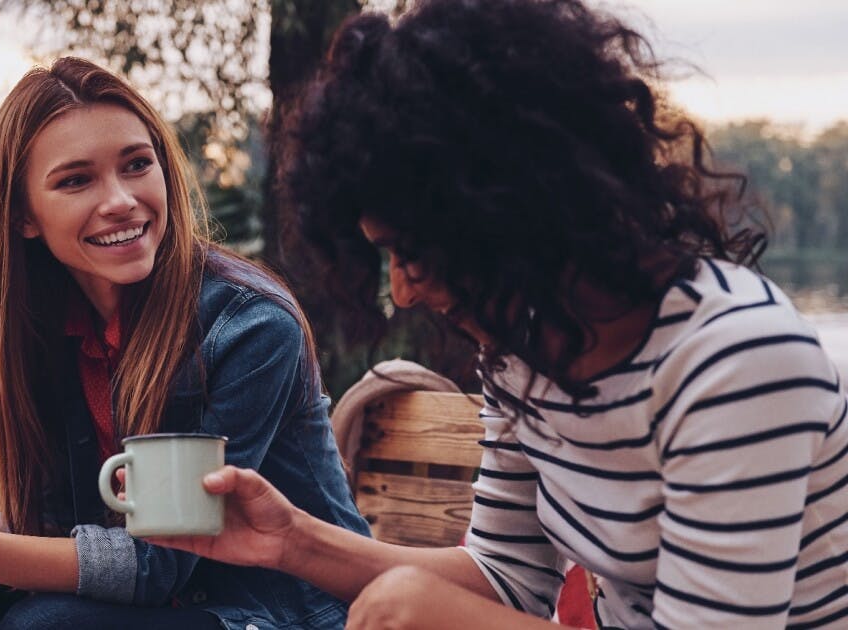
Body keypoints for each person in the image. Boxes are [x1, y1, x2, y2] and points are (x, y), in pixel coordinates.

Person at [151, 1, 848, 628]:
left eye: (413, 251)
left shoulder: (737, 362)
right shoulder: (527, 352)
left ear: (519, 208)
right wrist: (292, 542)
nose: (405, 291)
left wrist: (435, 614)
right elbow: (505, 578)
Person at [0, 57, 370, 629]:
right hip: (181, 601)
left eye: (137, 164)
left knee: (48, 624)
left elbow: (158, 564)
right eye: (77, 180)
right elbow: (58, 523)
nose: (119, 199)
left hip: (286, 610)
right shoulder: (52, 325)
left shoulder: (250, 326)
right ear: (23, 215)